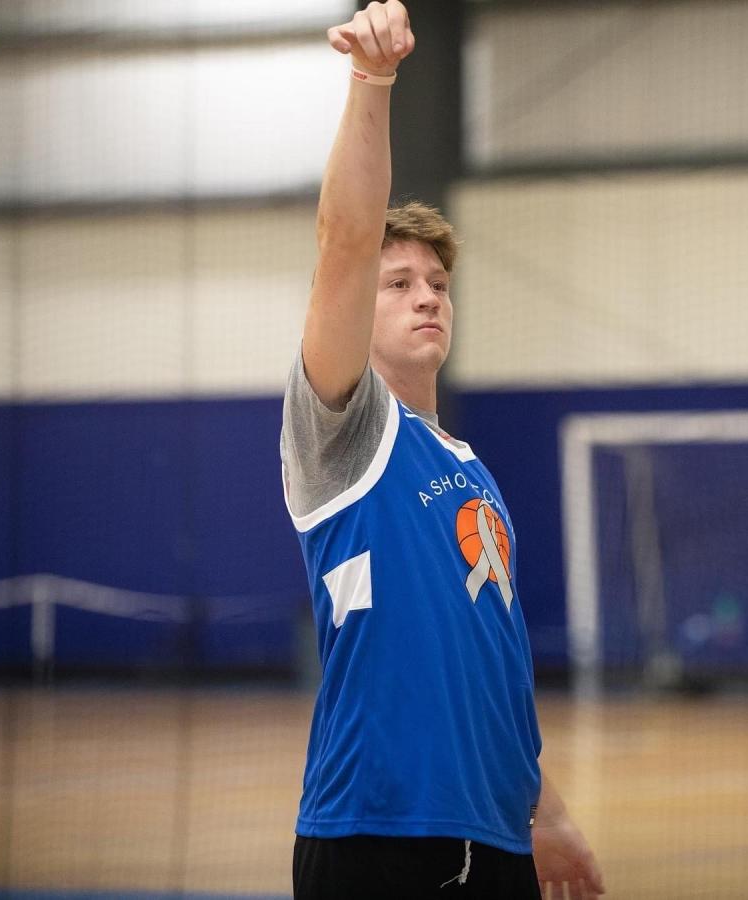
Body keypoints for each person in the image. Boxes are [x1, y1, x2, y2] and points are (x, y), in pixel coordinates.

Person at [280, 2, 606, 898]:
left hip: (496, 839)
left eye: (438, 283)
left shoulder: (470, 467)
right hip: (378, 837)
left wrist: (548, 814)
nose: (427, 296)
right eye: (399, 284)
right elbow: (344, 242)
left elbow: (489, 668)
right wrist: (373, 81)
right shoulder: (345, 437)